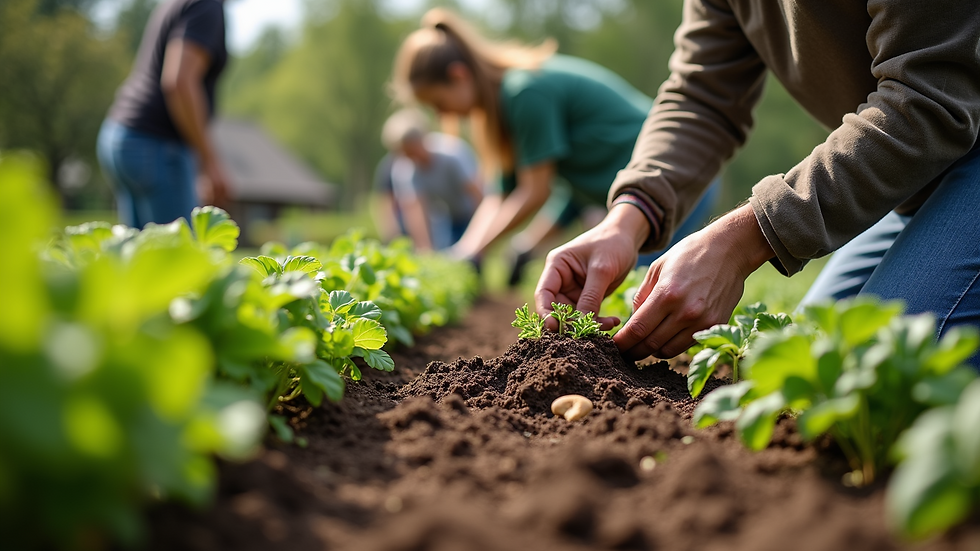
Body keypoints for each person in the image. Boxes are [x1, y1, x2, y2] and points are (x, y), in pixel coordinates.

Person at [534, 0, 980, 363]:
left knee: (876, 372)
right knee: (808, 362)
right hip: (919, 183)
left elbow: (925, 101)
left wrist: (743, 240)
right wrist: (627, 220)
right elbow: (702, 94)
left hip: (960, 154)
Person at [391, 8, 721, 272]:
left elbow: (535, 191)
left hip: (674, 176)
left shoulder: (525, 93)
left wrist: (472, 253)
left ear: (458, 75)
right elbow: (510, 195)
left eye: (438, 102)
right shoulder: (511, 106)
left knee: (644, 287)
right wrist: (496, 249)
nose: (441, 114)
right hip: (648, 194)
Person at [97, 0, 231, 228]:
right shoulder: (207, 5)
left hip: (121, 134)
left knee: (138, 255)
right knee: (178, 257)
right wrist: (210, 161)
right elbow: (178, 82)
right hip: (155, 146)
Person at [377, 108, 482, 251]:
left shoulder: (451, 155)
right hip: (448, 218)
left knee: (472, 253)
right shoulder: (406, 170)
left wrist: (480, 230)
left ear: (420, 141)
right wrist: (425, 249)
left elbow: (475, 194)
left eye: (410, 151)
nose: (407, 157)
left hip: (474, 212)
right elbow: (416, 211)